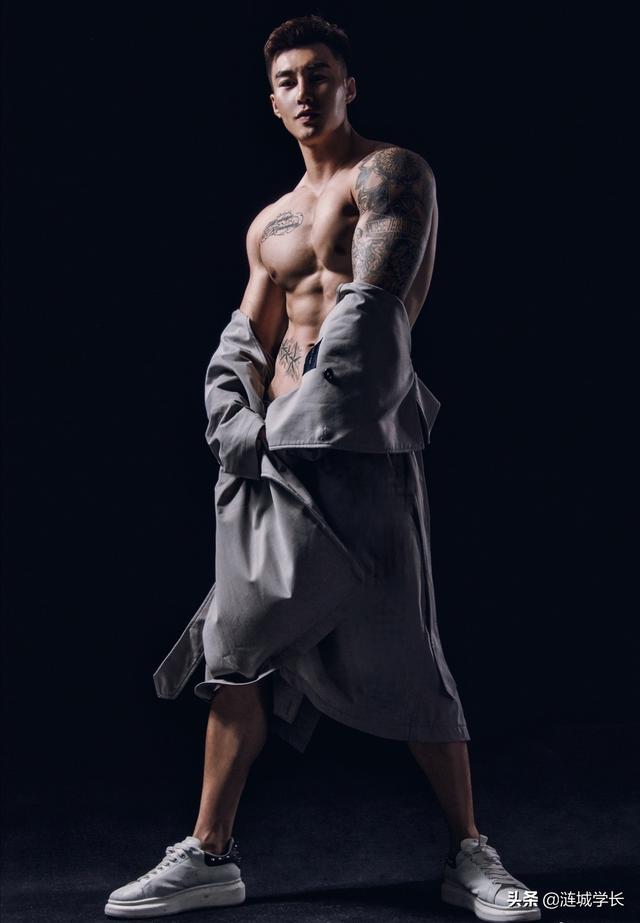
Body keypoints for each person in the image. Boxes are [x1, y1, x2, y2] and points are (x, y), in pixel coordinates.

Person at [105, 15, 541, 922]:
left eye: (319, 74)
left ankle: (470, 853)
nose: (304, 92)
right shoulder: (270, 222)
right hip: (268, 473)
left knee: (409, 657)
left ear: (350, 85)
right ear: (271, 102)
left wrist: (277, 429)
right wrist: (236, 423)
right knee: (235, 654)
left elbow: (374, 319)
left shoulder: (390, 174)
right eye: (288, 81)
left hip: (356, 458)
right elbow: (246, 340)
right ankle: (210, 853)